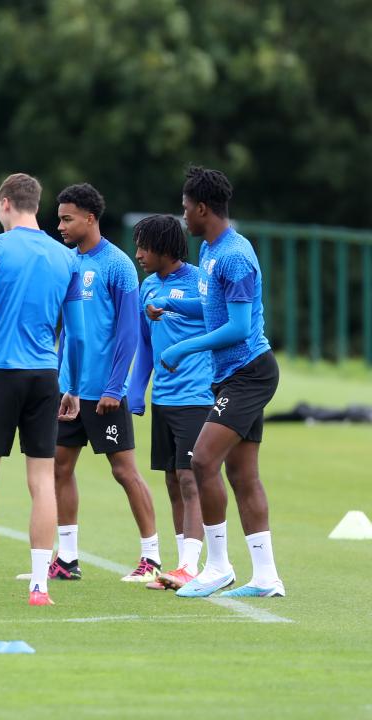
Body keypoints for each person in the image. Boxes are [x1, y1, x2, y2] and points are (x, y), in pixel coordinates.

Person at [0, 173, 84, 607]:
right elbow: (77, 336)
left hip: (1, 371)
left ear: (6, 203)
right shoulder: (67, 258)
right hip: (46, 376)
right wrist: (74, 387)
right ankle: (40, 587)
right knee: (42, 480)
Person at [151, 166, 284, 598]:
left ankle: (218, 567)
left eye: (186, 208)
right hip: (231, 377)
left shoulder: (234, 256)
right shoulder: (209, 251)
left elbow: (240, 328)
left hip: (250, 372)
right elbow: (210, 308)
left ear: (202, 208)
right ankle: (266, 578)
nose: (183, 216)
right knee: (242, 474)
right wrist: (170, 307)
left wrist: (181, 349)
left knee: (202, 461)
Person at [53, 183, 161, 583]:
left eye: (67, 218)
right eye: (60, 218)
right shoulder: (65, 263)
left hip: (104, 392)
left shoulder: (117, 264)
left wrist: (116, 387)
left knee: (124, 471)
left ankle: (151, 557)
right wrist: (63, 380)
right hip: (70, 391)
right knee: (60, 467)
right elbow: (65, 329)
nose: (61, 225)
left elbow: (128, 332)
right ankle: (66, 558)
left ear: (90, 218)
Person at [128, 215, 213, 591]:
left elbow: (216, 321)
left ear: (164, 247)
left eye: (144, 246)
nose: (138, 254)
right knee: (170, 479)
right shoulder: (146, 286)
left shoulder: (198, 281)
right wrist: (135, 390)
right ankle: (179, 568)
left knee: (189, 478)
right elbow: (145, 344)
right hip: (163, 398)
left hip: (196, 397)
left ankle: (191, 566)